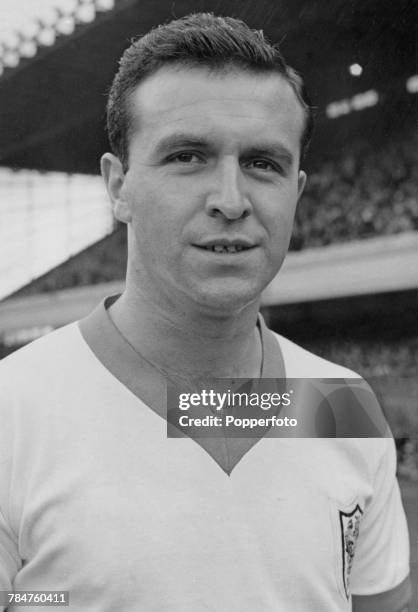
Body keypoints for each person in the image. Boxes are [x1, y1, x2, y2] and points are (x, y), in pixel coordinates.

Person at [0, 13, 411, 612]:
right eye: (188, 156)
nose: (230, 200)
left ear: (296, 194)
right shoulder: (12, 409)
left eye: (263, 163)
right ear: (119, 187)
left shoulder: (343, 405)